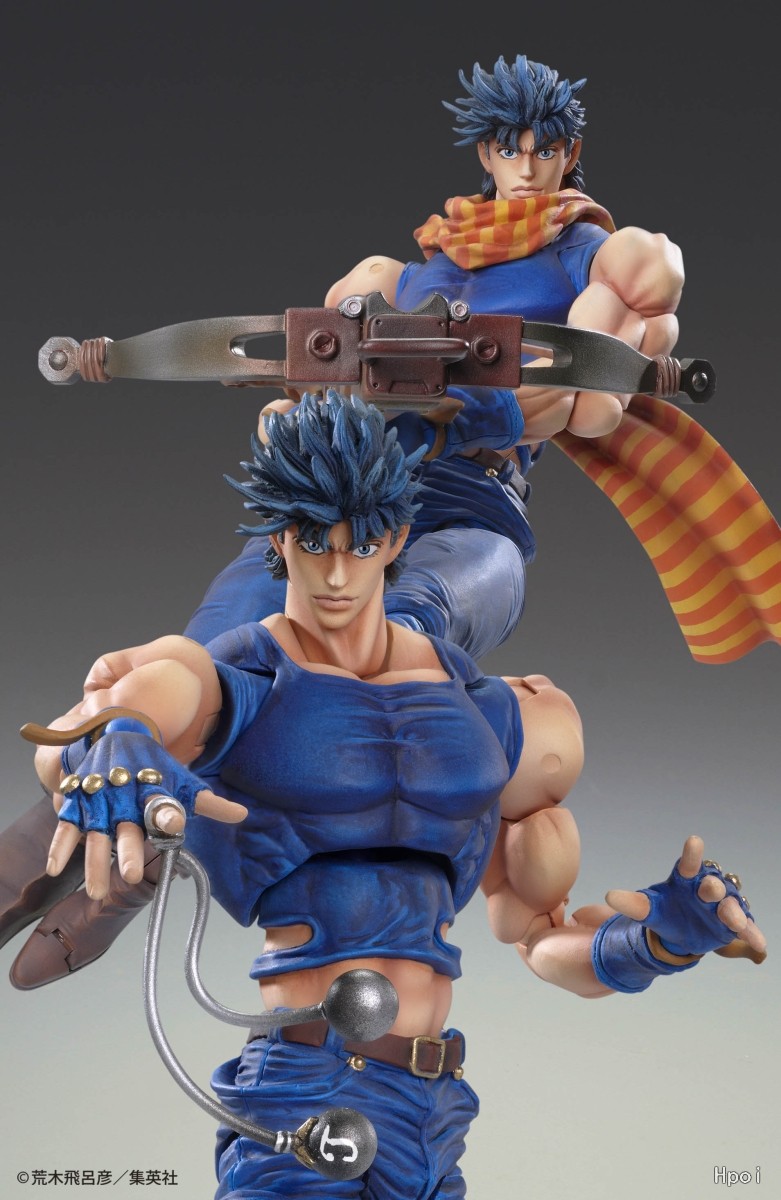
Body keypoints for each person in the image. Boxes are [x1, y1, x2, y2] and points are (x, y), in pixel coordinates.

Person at [28, 394, 765, 1199]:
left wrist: (651, 944)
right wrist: (121, 744)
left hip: (435, 1106)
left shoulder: (494, 712)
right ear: (279, 539)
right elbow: (126, 708)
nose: (336, 573)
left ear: (398, 539)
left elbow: (541, 939)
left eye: (363, 543)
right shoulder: (244, 676)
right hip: (305, 1091)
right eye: (313, 541)